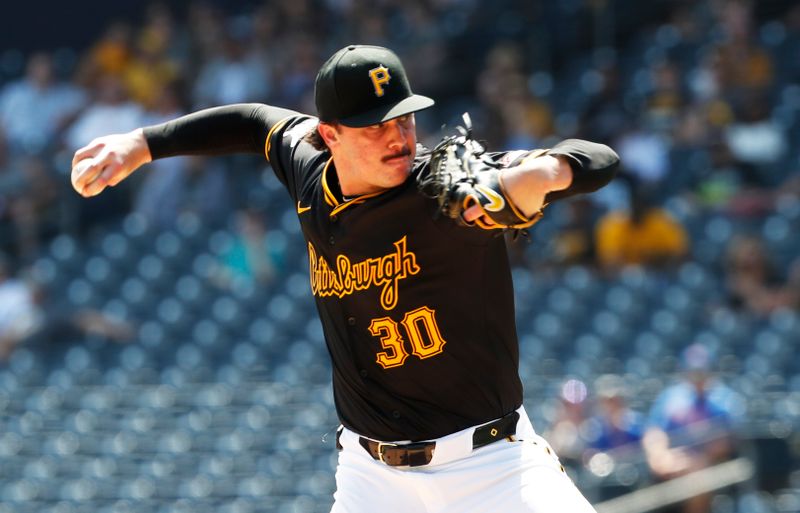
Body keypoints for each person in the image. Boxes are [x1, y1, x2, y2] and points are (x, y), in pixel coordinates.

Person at [70, 44, 619, 512]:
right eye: (376, 125)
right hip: (371, 479)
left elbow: (600, 156)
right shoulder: (307, 171)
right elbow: (249, 121)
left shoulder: (446, 190)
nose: (397, 136)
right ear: (326, 134)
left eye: (404, 117)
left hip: (492, 468)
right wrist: (142, 143)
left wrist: (545, 171)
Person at [642, 343, 742, 513]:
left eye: (701, 372)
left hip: (713, 466)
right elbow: (654, 431)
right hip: (674, 464)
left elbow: (726, 441)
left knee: (699, 477)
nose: (698, 377)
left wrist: (693, 460)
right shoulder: (671, 397)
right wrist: (659, 456)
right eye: (693, 372)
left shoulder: (725, 398)